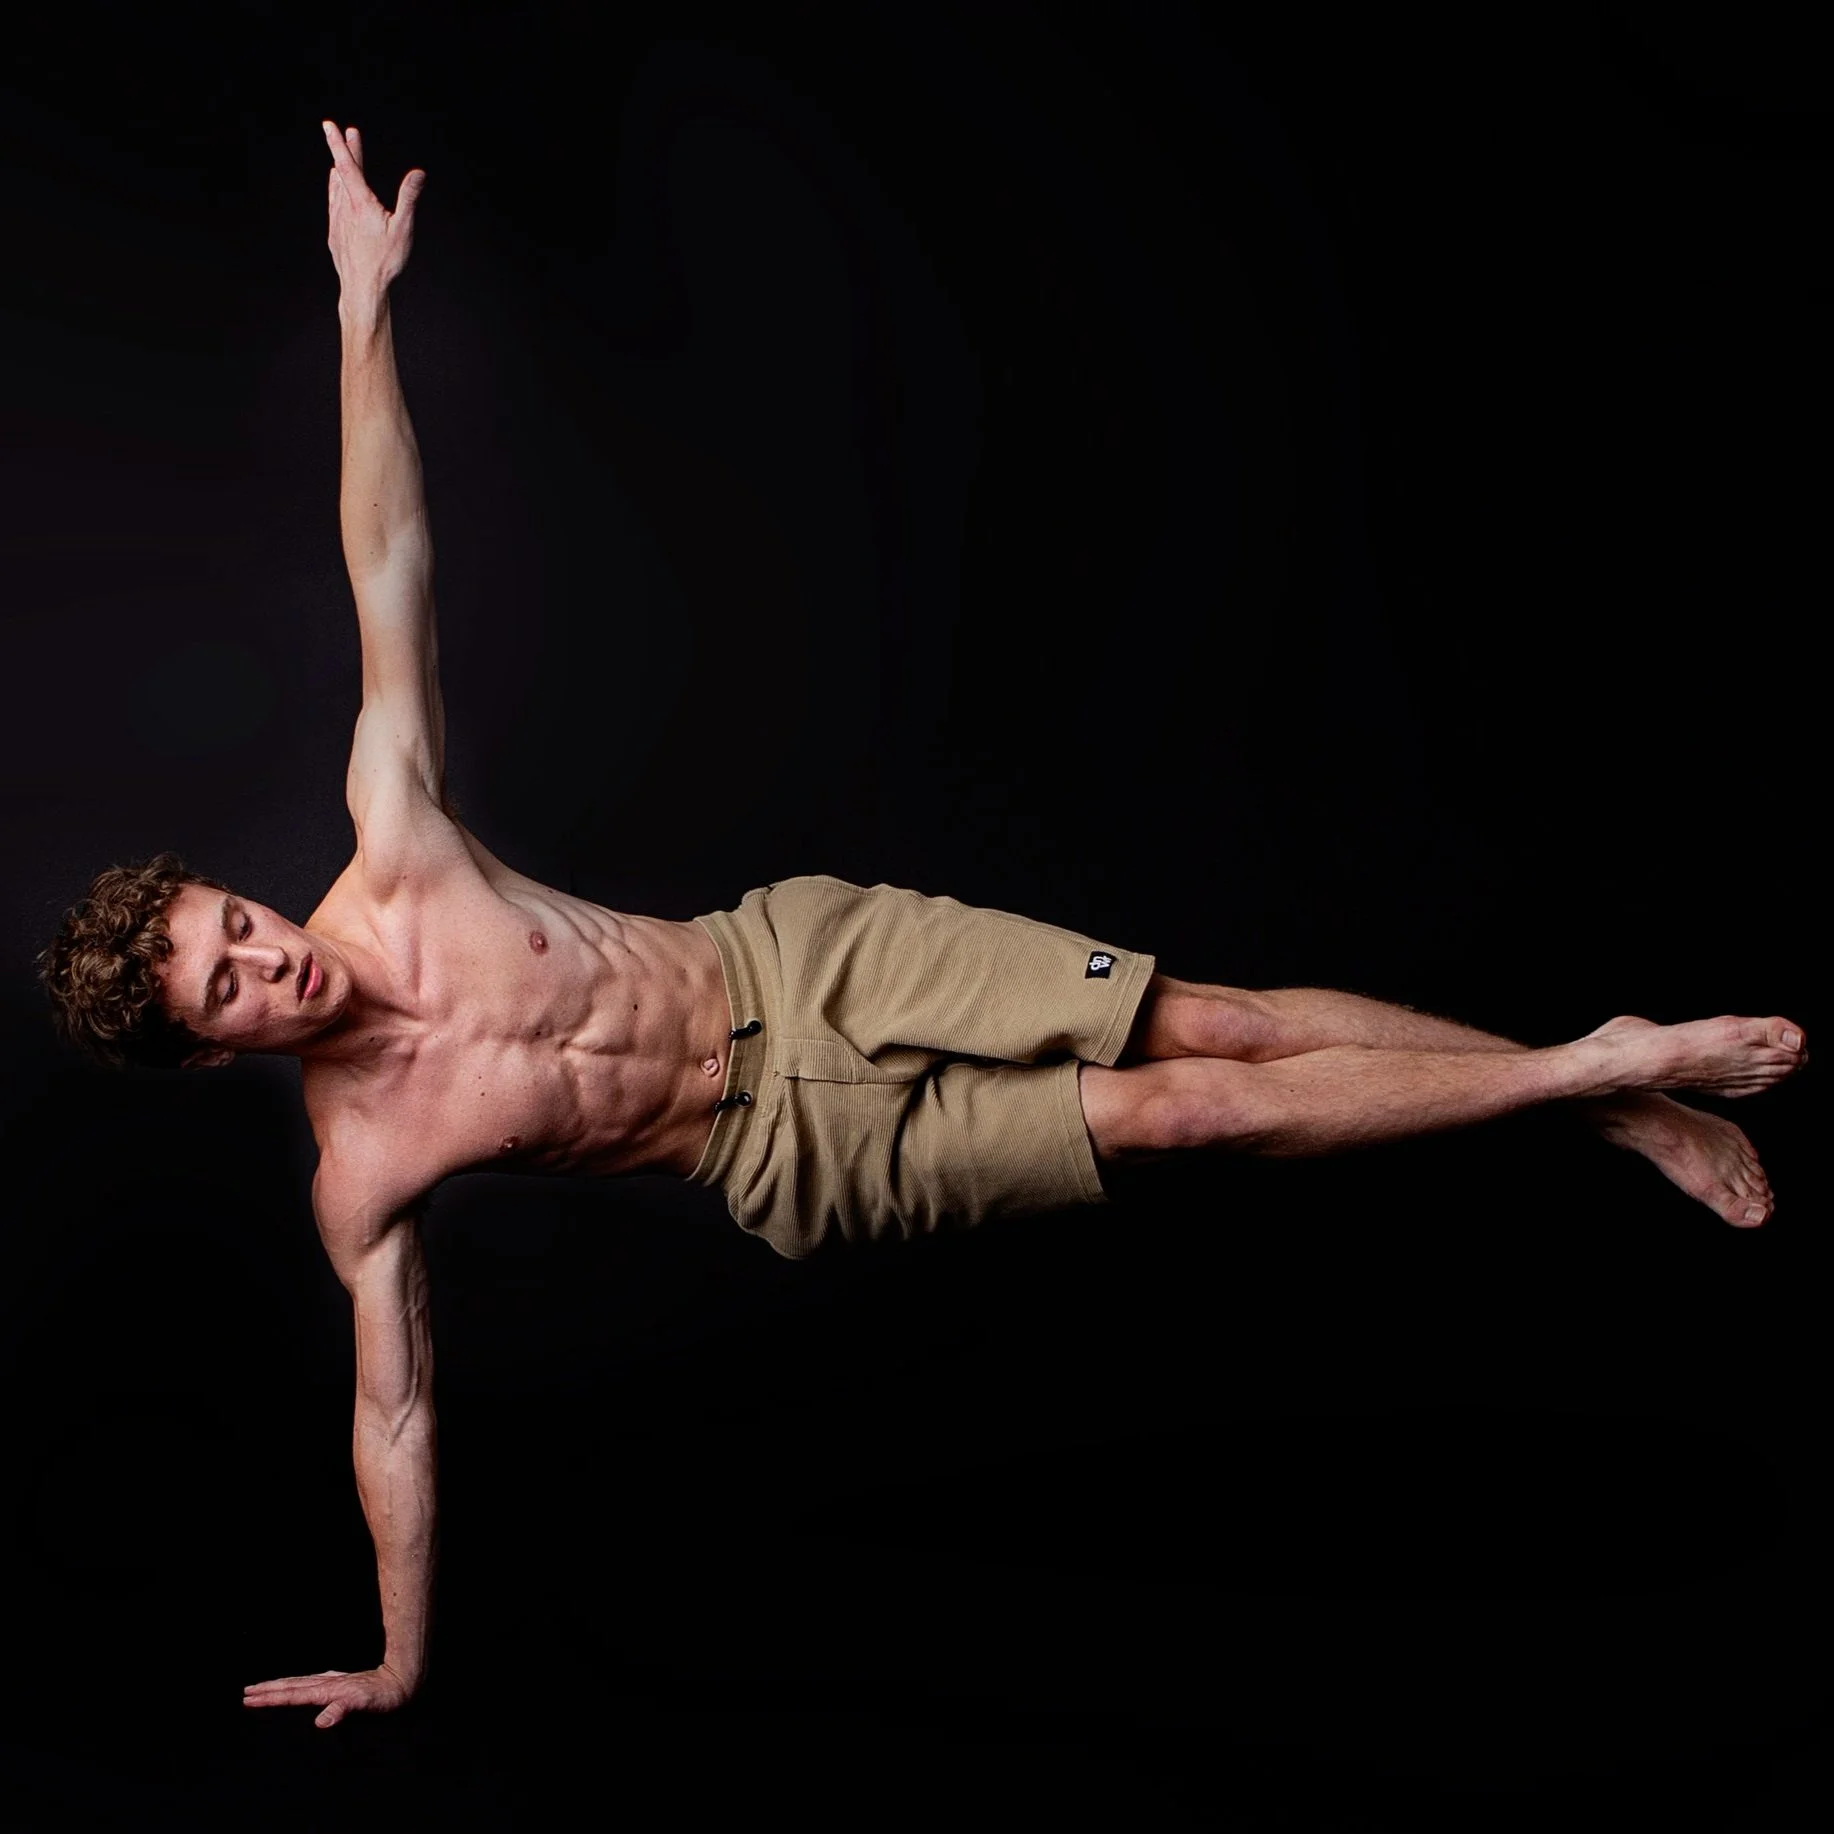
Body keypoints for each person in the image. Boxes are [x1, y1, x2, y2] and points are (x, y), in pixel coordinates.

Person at [37, 124, 1807, 1730]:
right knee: (1184, 1118)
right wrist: (399, 1653)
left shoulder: (397, 847)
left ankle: (1599, 1085)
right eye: (229, 984)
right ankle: (1589, 1074)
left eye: (235, 919)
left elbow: (388, 563)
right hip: (787, 1151)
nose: (270, 954)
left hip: (800, 959)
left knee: (1224, 1023)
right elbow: (397, 1413)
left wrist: (363, 305)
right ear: (207, 1051)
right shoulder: (361, 1176)